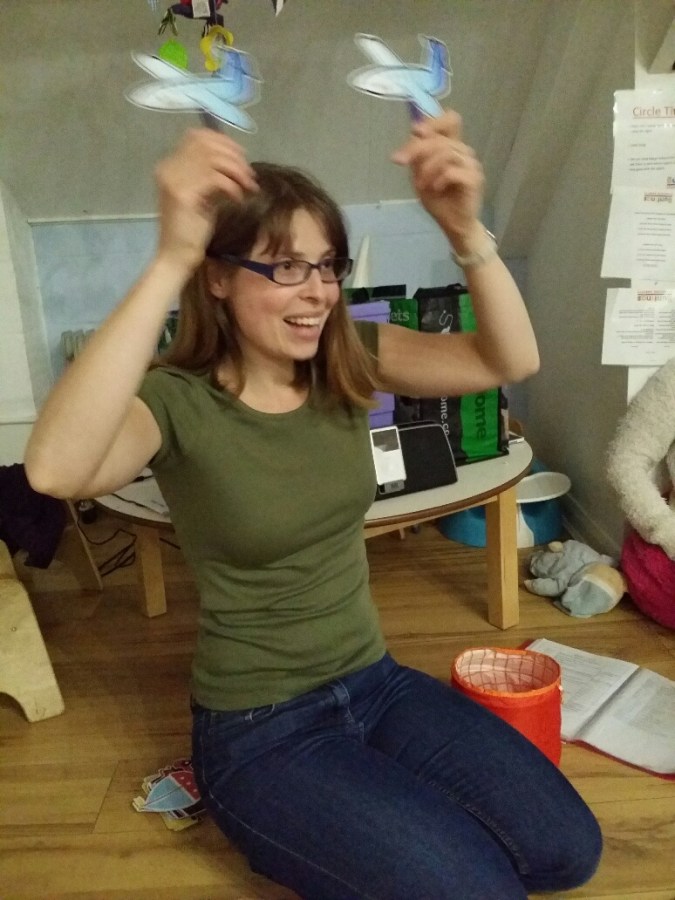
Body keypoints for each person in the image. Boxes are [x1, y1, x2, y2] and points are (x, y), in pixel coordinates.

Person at [25, 111, 601, 899]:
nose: (318, 292)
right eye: (286, 267)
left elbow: (512, 358)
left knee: (567, 851)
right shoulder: (175, 400)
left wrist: (464, 231)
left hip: (376, 682)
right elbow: (55, 469)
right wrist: (170, 257)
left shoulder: (346, 357)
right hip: (260, 729)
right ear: (218, 277)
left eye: (327, 266)